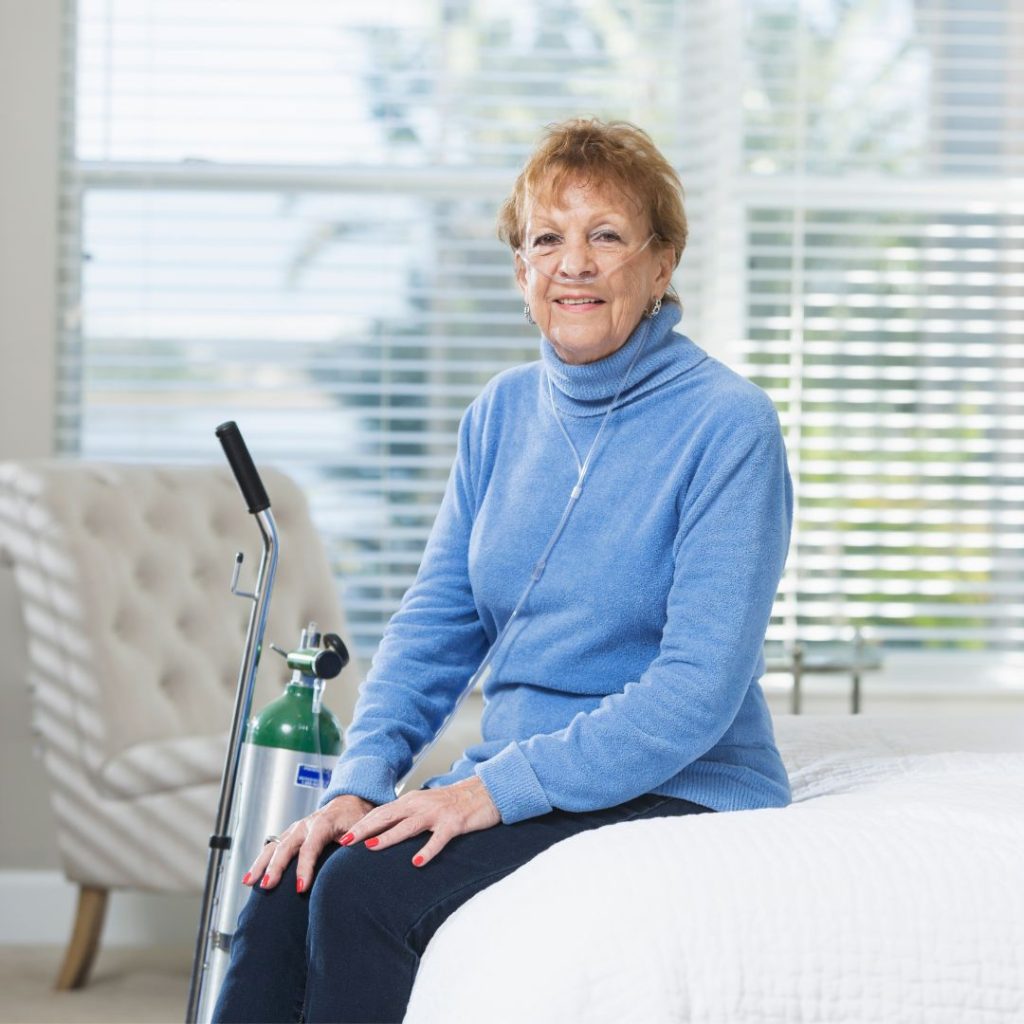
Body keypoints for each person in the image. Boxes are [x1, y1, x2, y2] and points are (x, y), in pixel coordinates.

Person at [213, 117, 794, 1024]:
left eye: (606, 235)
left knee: (363, 890)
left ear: (662, 263)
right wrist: (363, 778)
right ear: (522, 272)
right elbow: (438, 621)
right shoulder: (500, 414)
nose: (575, 264)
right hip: (520, 771)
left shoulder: (728, 425)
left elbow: (697, 688)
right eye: (546, 240)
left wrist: (491, 790)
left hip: (675, 784)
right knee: (293, 872)